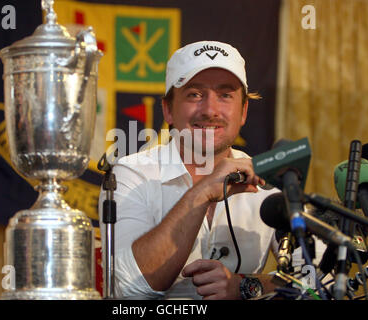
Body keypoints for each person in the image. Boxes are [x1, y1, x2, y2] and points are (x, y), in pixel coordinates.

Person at [99, 40, 319, 299]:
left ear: (244, 110)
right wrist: (201, 193)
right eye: (194, 94)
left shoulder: (267, 179)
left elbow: (318, 277)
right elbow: (126, 290)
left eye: (225, 95)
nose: (211, 110)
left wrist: (245, 287)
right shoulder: (129, 175)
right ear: (168, 109)